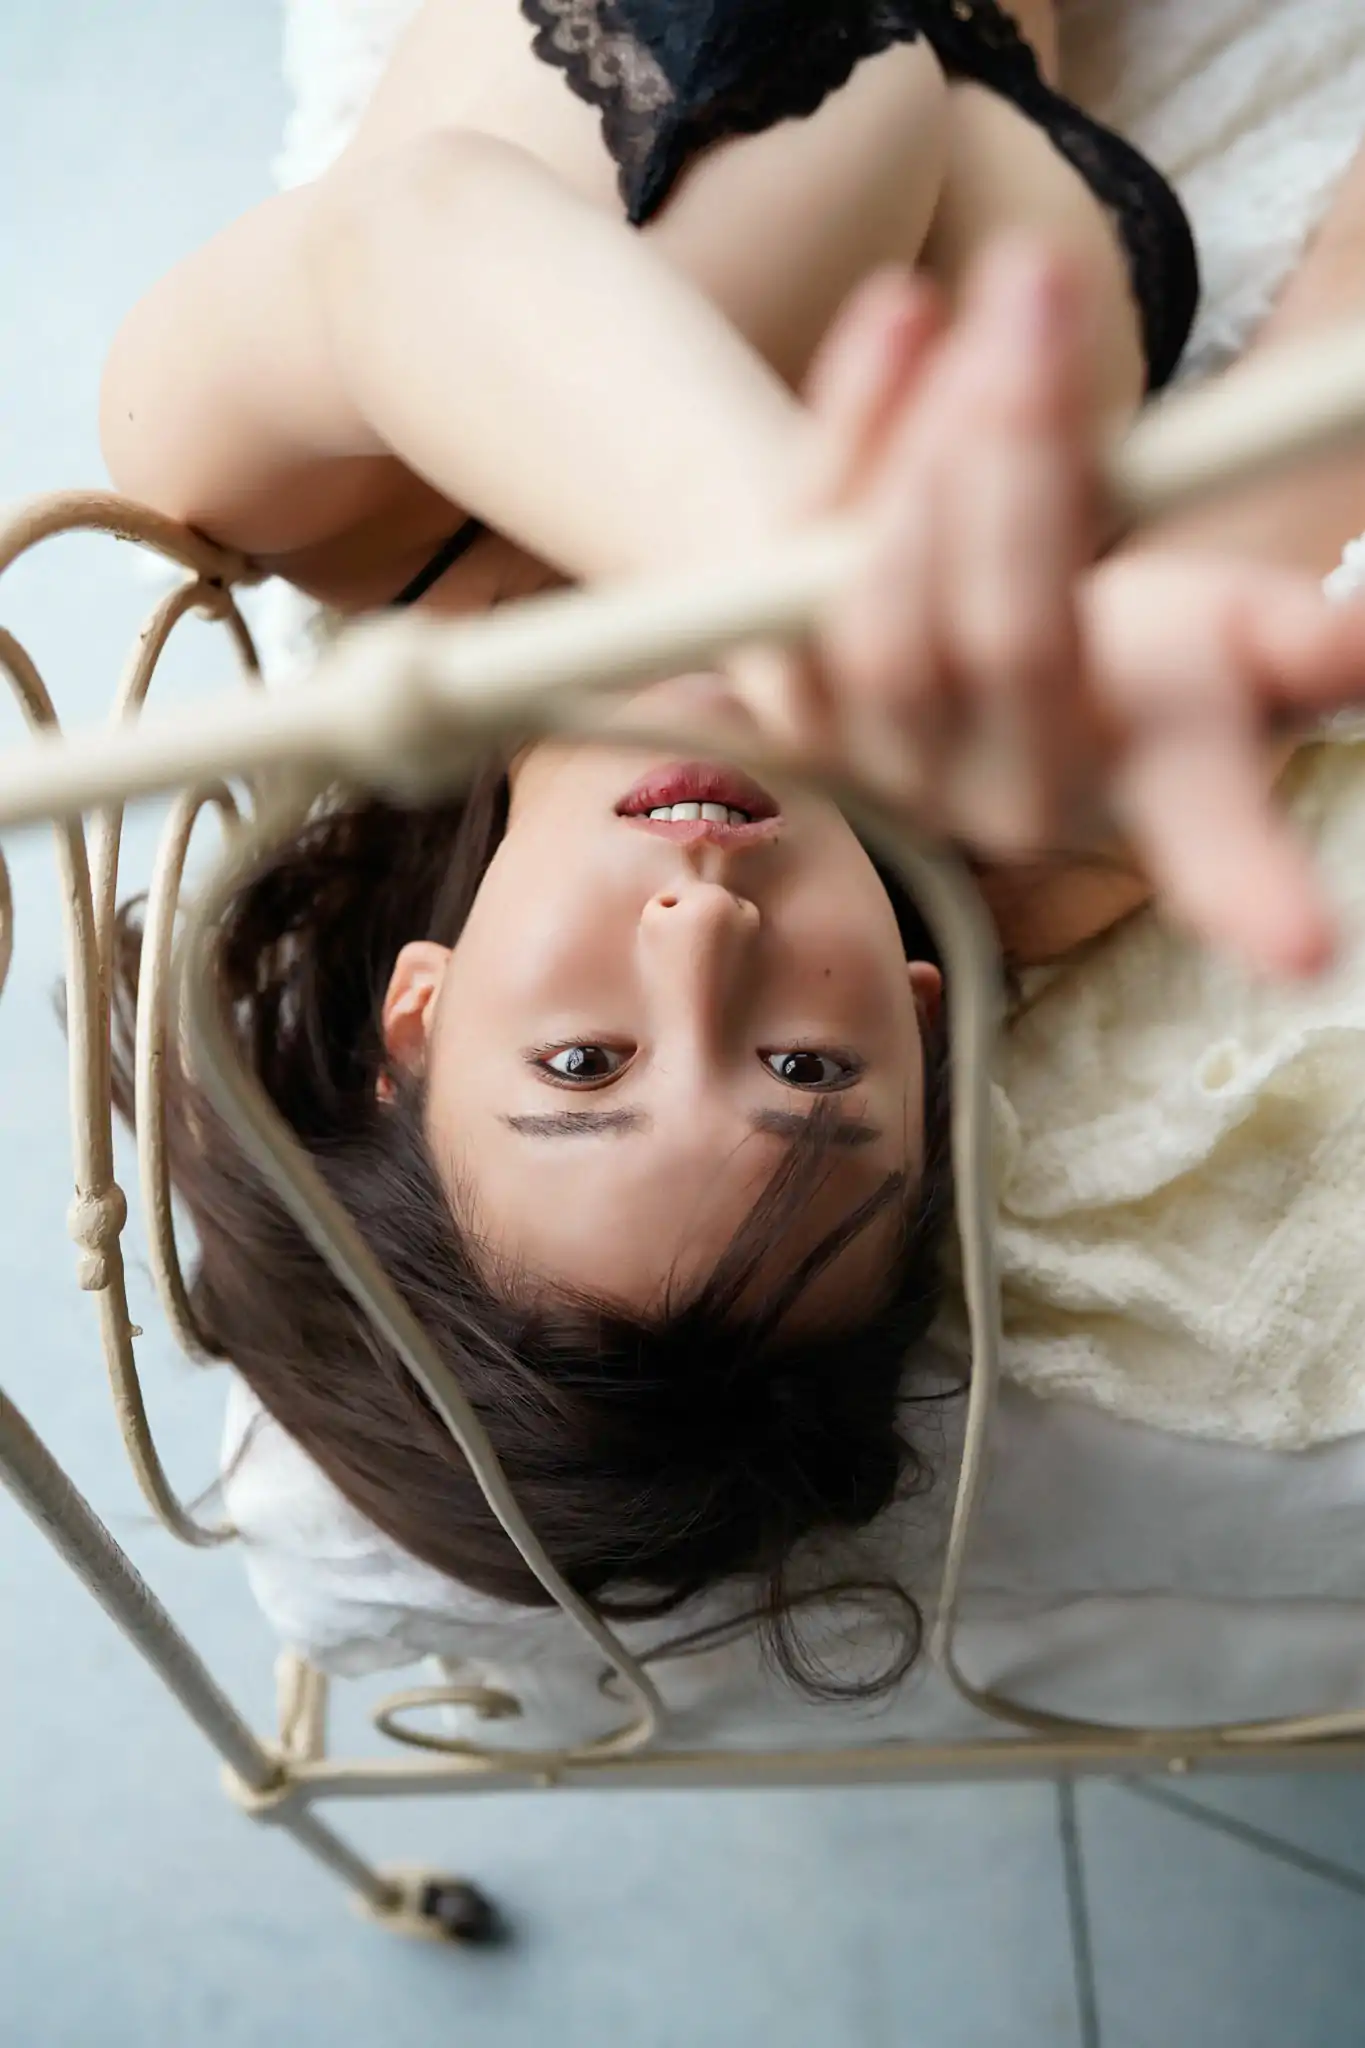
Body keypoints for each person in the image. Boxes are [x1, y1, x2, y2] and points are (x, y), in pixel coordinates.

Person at [99, 0, 1365, 1693]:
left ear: (421, 1018)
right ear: (920, 1021)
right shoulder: (1042, 807)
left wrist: (818, 601)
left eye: (584, 1062)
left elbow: (409, 234)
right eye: (807, 1068)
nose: (705, 932)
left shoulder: (315, 499)